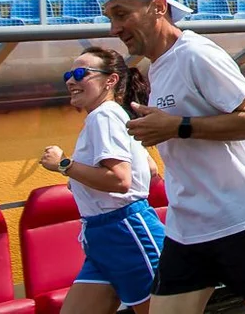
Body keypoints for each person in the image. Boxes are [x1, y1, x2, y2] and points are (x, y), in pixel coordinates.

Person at [101, 0, 245, 314]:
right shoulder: (157, 69)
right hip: (186, 229)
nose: (114, 29)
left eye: (122, 14)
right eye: (110, 19)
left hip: (239, 221)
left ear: (158, 7)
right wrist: (160, 130)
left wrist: (177, 127)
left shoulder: (196, 53)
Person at [40, 47, 165, 314]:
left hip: (126, 233)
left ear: (111, 80)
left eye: (80, 73)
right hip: (103, 235)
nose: (71, 81)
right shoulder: (109, 116)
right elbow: (151, 170)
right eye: (68, 74)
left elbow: (120, 180)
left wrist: (64, 165)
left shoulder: (104, 116)